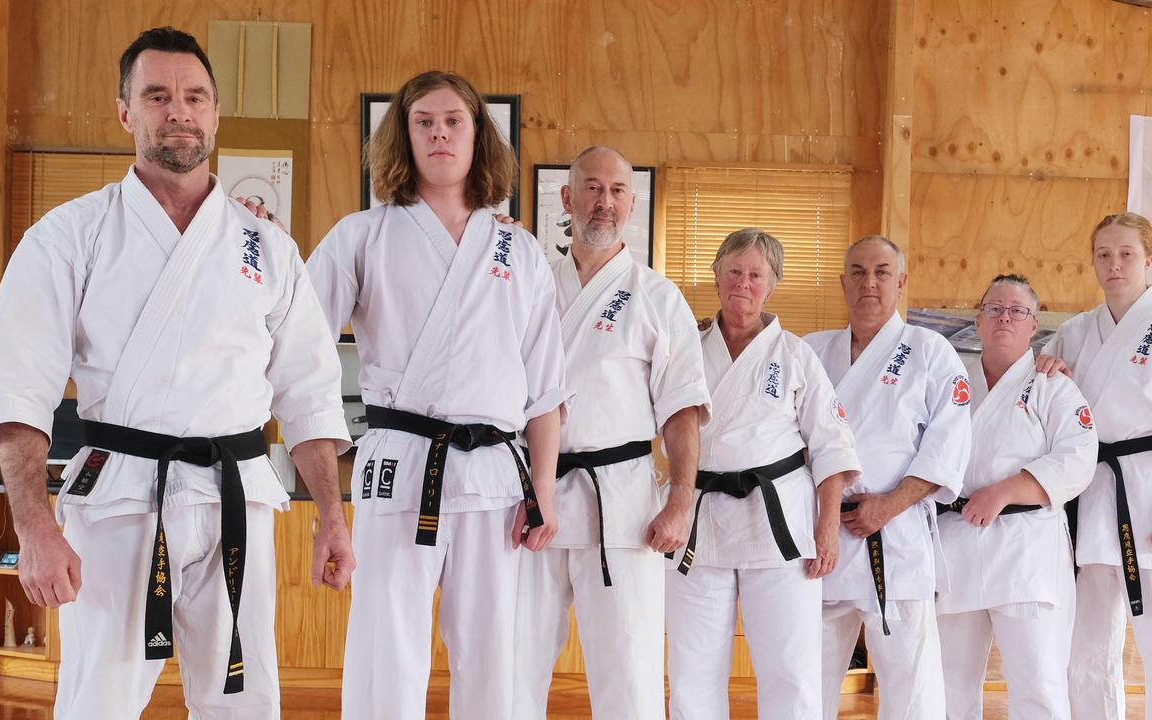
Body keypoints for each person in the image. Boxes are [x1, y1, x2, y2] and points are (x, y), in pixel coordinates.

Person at [0, 27, 353, 719]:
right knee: (99, 700)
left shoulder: (267, 246)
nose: (178, 110)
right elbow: (17, 391)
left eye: (194, 96)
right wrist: (32, 527)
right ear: (126, 112)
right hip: (120, 495)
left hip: (237, 496)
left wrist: (331, 514)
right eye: (157, 95)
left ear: (214, 113)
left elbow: (309, 394)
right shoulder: (69, 236)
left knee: (246, 701)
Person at [306, 70, 566, 720]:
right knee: (384, 648)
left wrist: (544, 491)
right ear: (403, 135)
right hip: (399, 465)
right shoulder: (361, 235)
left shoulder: (519, 247)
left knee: (491, 653)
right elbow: (297, 347)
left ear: (478, 136)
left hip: (493, 480)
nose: (440, 132)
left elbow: (544, 392)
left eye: (454, 120)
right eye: (424, 121)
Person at [511, 146, 709, 719]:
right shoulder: (530, 286)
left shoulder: (657, 297)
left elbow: (682, 411)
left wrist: (680, 500)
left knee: (629, 666)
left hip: (621, 504)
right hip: (531, 496)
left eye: (617, 191)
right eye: (592, 189)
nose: (605, 202)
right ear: (567, 199)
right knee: (514, 660)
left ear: (632, 202)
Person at [665, 229, 860, 720]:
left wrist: (828, 527)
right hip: (698, 522)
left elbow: (832, 446)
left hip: (779, 525)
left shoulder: (795, 355)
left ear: (772, 284)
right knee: (693, 666)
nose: (743, 283)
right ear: (715, 275)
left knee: (790, 668)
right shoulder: (685, 346)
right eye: (733, 271)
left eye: (755, 274)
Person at [1037, 212, 1152, 720]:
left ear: (1149, 260)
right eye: (1103, 254)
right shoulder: (1074, 333)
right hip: (1093, 497)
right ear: (1093, 262)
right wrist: (1047, 373)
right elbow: (1040, 407)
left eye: (1126, 254)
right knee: (1088, 648)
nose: (1114, 264)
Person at [803, 235, 972, 720]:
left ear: (900, 282)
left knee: (910, 682)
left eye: (881, 272)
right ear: (843, 283)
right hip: (824, 533)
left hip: (893, 537)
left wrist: (890, 504)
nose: (868, 282)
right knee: (806, 677)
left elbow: (948, 444)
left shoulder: (931, 351)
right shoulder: (812, 351)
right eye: (857, 272)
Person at [934, 274, 1097, 719]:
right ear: (979, 320)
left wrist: (1005, 491)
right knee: (947, 685)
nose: (1005, 316)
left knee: (1038, 683)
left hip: (1027, 551)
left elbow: (1080, 456)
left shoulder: (1053, 386)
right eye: (995, 308)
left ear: (1034, 324)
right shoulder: (951, 384)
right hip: (955, 545)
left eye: (1017, 310)